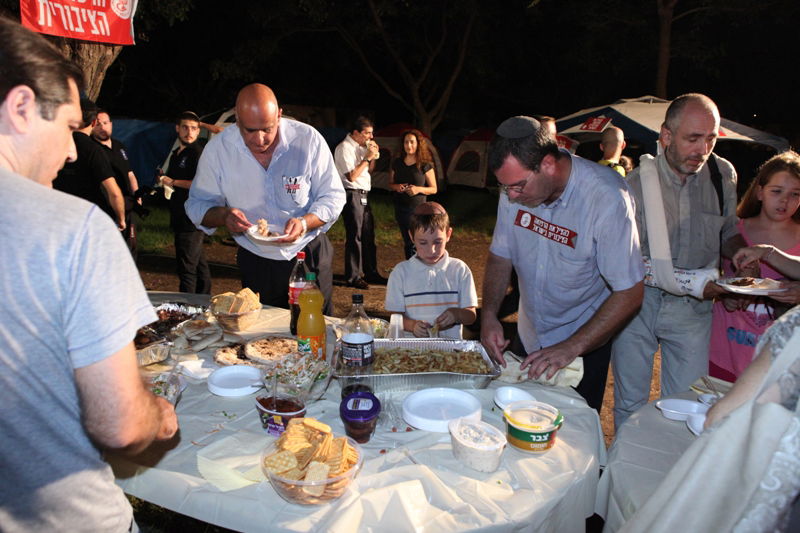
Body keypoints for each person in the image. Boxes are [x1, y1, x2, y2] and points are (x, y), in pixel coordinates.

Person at [0, 17, 177, 532]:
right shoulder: (74, 229)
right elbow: (119, 425)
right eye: (70, 129)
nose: (73, 151)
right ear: (21, 108)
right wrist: (157, 415)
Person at [480, 115, 645, 412]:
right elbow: (500, 254)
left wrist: (571, 347)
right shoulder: (513, 190)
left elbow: (630, 292)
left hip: (582, 344)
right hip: (530, 334)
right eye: (506, 189)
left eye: (517, 187)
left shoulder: (607, 197)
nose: (511, 196)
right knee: (517, 422)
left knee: (572, 438)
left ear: (547, 164)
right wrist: (490, 314)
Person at [611, 93, 747, 429]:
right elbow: (621, 258)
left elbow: (726, 231)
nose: (703, 150)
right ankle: (626, 477)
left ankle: (671, 479)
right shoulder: (633, 185)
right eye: (693, 139)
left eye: (711, 138)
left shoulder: (722, 175)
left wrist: (741, 254)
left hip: (692, 312)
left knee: (686, 407)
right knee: (629, 405)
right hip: (638, 308)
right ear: (667, 136)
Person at [185, 84, 345, 314]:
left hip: (306, 253)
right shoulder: (219, 150)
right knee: (263, 337)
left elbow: (333, 196)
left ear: (279, 115)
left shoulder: (308, 140)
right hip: (256, 258)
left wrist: (304, 222)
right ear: (237, 119)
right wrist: (223, 216)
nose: (260, 139)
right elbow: (197, 204)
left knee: (313, 332)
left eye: (268, 129)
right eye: (250, 130)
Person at [708, 151, 800, 381]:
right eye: (776, 191)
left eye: (795, 194)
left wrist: (768, 254)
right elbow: (711, 276)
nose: (784, 201)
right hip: (723, 352)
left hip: (776, 362)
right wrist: (723, 295)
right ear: (759, 191)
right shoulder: (734, 230)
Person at [385, 202, 477, 338]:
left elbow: (471, 315)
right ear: (411, 237)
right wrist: (412, 326)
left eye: (438, 242)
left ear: (448, 234)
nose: (431, 250)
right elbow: (395, 317)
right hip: (410, 352)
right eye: (423, 243)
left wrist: (456, 314)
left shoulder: (459, 269)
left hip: (450, 353)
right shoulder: (400, 273)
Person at [53, 98, 126, 232]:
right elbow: (114, 192)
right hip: (87, 218)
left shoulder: (56, 144)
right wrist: (121, 218)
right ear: (93, 122)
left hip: (59, 214)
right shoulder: (94, 150)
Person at [159, 111, 212, 294]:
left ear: (199, 132)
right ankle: (204, 300)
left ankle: (186, 306)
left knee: (186, 268)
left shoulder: (197, 153)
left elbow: (200, 184)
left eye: (193, 128)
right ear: (177, 129)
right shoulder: (177, 153)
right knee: (197, 262)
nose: (189, 132)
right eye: (185, 127)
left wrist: (172, 182)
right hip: (180, 214)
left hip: (192, 218)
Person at [334, 116, 387, 289]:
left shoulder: (361, 147)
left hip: (364, 193)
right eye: (367, 133)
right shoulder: (344, 148)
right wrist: (366, 158)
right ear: (356, 132)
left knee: (368, 234)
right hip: (351, 194)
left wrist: (372, 157)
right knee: (355, 235)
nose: (370, 137)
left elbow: (369, 170)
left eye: (372, 133)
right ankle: (353, 276)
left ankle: (370, 272)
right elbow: (351, 176)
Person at [92, 109, 140, 255]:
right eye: (98, 124)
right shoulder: (93, 150)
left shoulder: (120, 147)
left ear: (111, 124)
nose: (102, 127)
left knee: (130, 247)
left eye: (105, 123)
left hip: (128, 205)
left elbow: (130, 174)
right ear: (92, 126)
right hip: (107, 207)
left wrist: (137, 195)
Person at [388, 128, 437, 259]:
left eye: (412, 142)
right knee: (407, 241)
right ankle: (411, 269)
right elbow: (390, 184)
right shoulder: (397, 163)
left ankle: (421, 271)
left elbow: (434, 189)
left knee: (418, 242)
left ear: (418, 144)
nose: (409, 145)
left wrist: (418, 189)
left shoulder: (425, 164)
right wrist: (396, 187)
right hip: (401, 208)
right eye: (406, 142)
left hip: (418, 210)